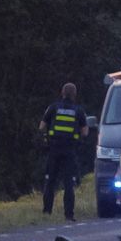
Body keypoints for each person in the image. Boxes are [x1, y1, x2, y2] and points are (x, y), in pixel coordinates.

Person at [39, 83, 88, 221]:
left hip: (54, 149)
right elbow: (85, 132)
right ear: (74, 94)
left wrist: (48, 136)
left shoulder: (53, 107)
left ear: (62, 93)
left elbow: (41, 126)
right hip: (69, 151)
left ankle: (47, 212)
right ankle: (69, 214)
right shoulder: (79, 111)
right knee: (68, 184)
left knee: (50, 182)